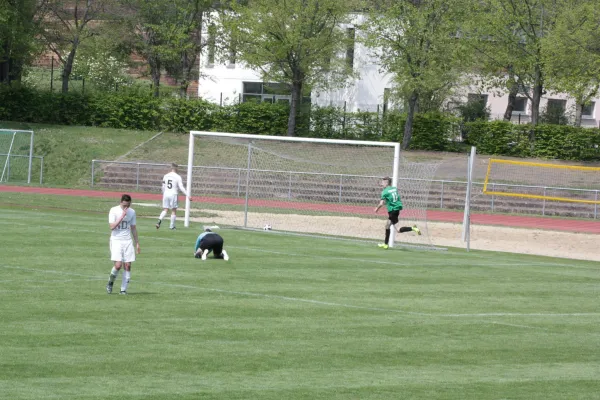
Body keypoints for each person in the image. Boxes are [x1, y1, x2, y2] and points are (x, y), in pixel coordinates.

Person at [106, 194, 141, 294]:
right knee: (118, 265)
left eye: (128, 205)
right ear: (121, 202)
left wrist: (137, 243)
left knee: (128, 265)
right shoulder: (113, 210)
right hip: (116, 239)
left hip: (128, 240)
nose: (126, 208)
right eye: (124, 205)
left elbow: (133, 228)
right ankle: (110, 282)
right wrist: (122, 216)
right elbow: (112, 227)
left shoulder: (132, 212)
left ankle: (123, 290)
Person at [374, 176, 421, 249]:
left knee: (392, 227)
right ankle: (386, 244)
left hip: (392, 210)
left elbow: (381, 203)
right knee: (393, 227)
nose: (382, 183)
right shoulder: (394, 188)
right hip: (396, 209)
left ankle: (386, 244)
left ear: (386, 183)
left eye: (383, 182)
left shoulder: (384, 192)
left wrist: (377, 209)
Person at [156, 163, 192, 230]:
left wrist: (164, 193)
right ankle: (172, 226)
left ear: (171, 168)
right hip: (173, 194)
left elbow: (163, 186)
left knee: (165, 209)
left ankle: (159, 220)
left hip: (166, 194)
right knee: (174, 210)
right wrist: (188, 195)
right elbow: (181, 187)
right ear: (176, 168)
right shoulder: (178, 177)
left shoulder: (166, 176)